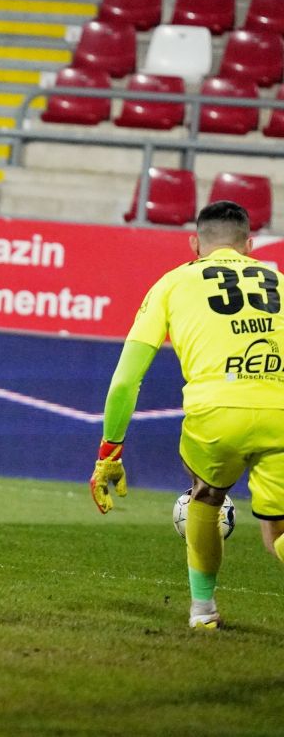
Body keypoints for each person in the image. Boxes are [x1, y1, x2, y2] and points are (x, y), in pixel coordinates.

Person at [90, 200, 284, 629]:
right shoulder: (281, 282)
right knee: (278, 535)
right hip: (280, 408)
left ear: (195, 243)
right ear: (250, 246)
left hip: (215, 411)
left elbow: (125, 380)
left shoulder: (172, 283)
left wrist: (110, 452)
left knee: (206, 494)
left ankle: (203, 612)